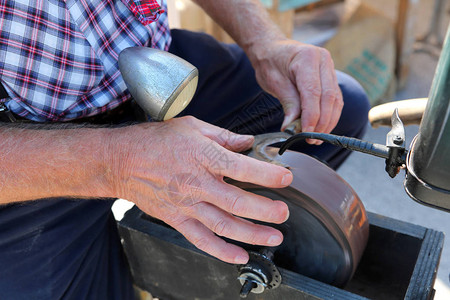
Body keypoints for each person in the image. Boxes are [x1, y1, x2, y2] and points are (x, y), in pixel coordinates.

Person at [0, 0, 370, 299]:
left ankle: (183, 223)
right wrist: (118, 163)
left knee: (335, 112)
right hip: (28, 154)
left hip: (161, 73)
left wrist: (265, 42)